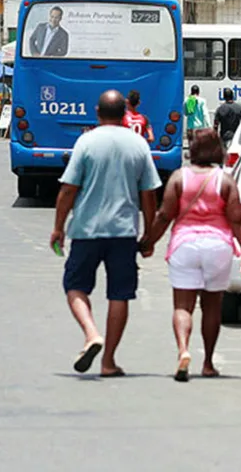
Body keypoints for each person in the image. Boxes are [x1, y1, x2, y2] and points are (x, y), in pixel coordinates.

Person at [51, 90, 161, 377]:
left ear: (97, 113)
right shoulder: (138, 144)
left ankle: (91, 333)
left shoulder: (86, 142)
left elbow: (68, 189)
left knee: (74, 286)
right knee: (119, 295)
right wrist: (150, 234)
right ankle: (108, 361)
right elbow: (149, 195)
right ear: (124, 114)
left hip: (87, 230)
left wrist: (58, 228)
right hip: (124, 232)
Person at [140, 129, 241, 381]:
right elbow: (237, 220)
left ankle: (183, 350)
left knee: (183, 306)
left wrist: (149, 242)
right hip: (218, 247)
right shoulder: (224, 181)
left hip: (185, 246)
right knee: (212, 306)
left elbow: (164, 215)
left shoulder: (179, 178)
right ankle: (209, 362)